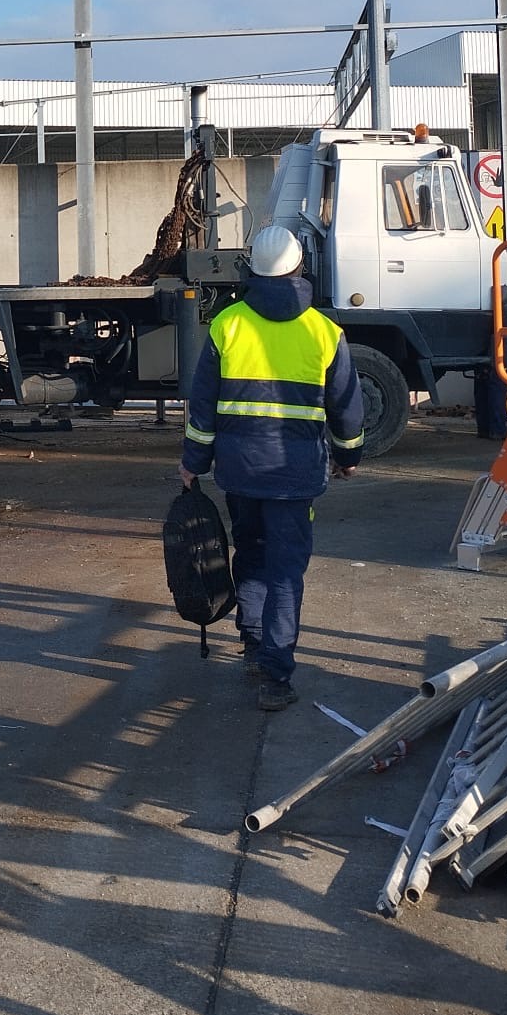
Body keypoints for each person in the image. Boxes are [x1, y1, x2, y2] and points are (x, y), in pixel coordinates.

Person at [178, 223, 365, 712]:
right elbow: (347, 407)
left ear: (251, 269)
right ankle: (276, 674)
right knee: (286, 570)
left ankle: (254, 644)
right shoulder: (325, 332)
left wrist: (192, 463)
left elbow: (203, 408)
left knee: (251, 552)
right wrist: (348, 456)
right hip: (295, 476)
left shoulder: (227, 324)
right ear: (301, 267)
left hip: (240, 473)